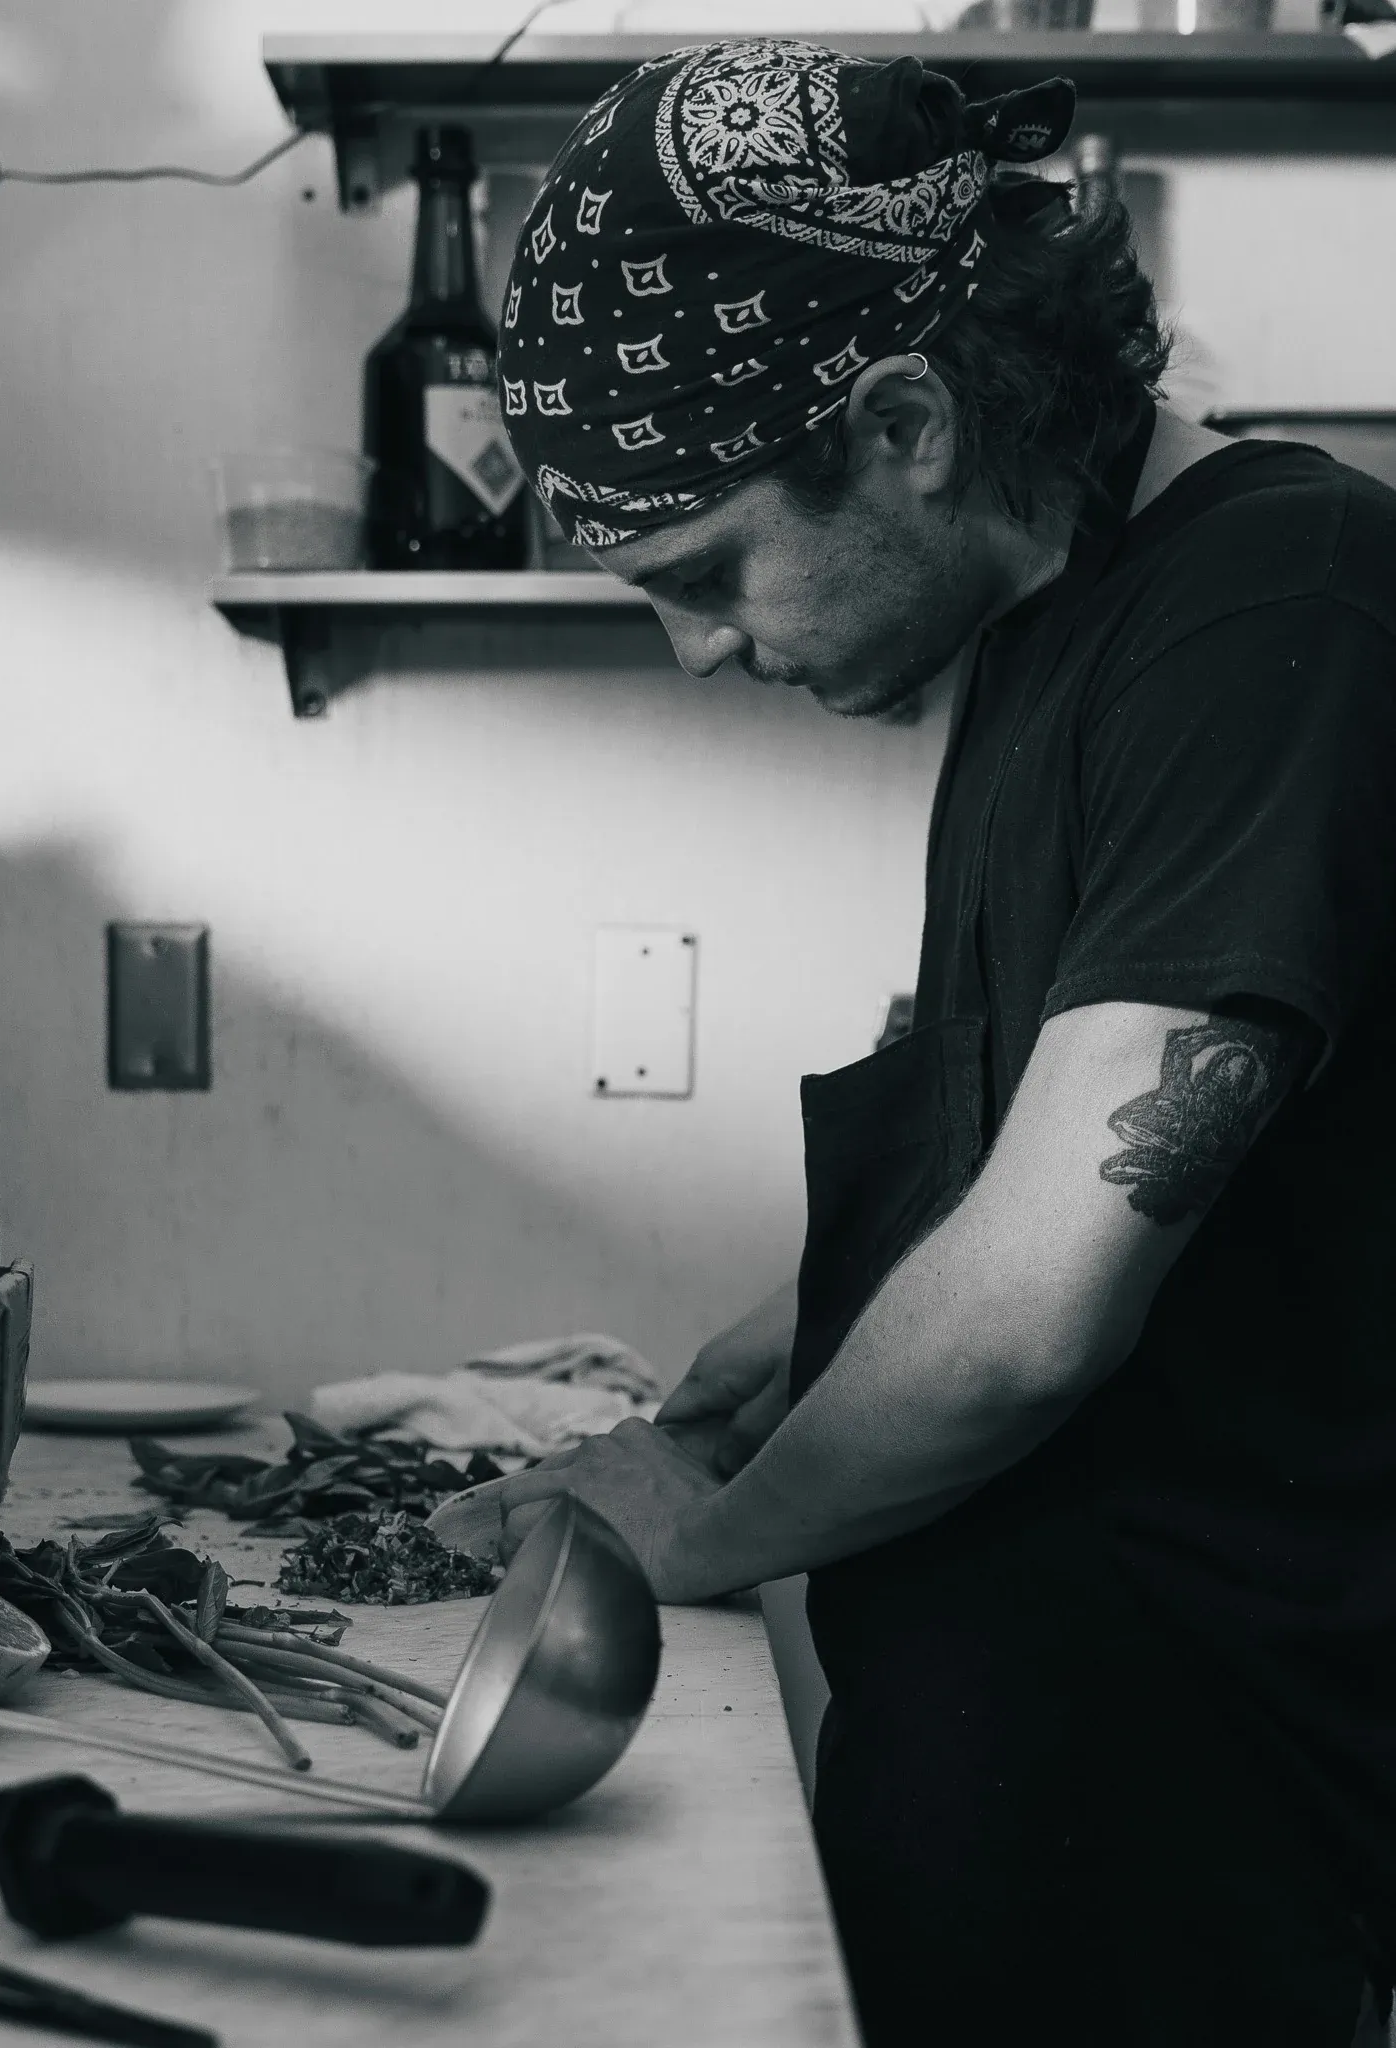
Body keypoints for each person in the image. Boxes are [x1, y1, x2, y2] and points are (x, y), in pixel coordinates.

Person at [488, 37, 1396, 2048]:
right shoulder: (1046, 643)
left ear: (900, 419)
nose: (705, 648)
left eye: (707, 572)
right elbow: (1000, 1155)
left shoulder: (1280, 610)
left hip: (1188, 1811)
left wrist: (696, 1535)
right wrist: (773, 1344)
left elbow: (1025, 1312)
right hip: (1018, 1772)